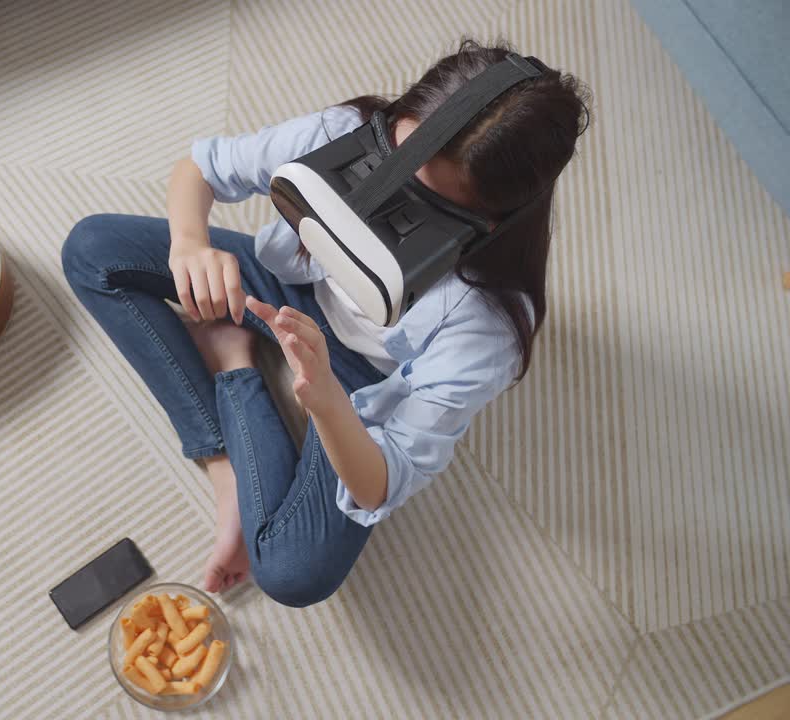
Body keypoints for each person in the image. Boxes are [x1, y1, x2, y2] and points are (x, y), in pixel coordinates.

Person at [61, 39, 590, 607]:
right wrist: (190, 245)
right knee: (92, 248)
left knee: (292, 575)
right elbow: (202, 169)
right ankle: (228, 473)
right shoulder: (343, 134)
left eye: (422, 211)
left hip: (365, 380)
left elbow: (383, 480)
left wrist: (327, 402)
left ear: (492, 222)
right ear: (391, 124)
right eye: (386, 167)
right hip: (284, 284)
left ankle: (231, 360)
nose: (383, 209)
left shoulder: (489, 321)